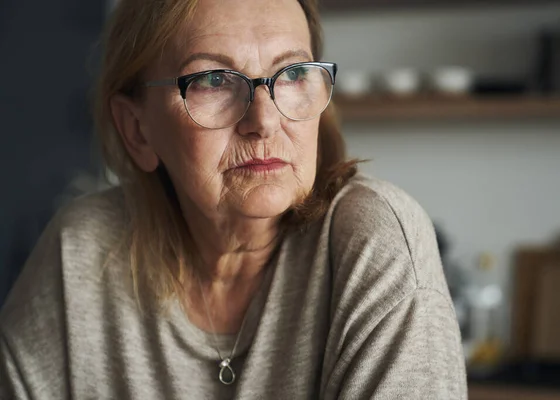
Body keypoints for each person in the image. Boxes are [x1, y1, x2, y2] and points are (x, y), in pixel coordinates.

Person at [0, 0, 467, 398]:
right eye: (214, 81)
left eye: (293, 73)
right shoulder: (81, 253)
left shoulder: (376, 239)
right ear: (137, 130)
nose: (263, 120)